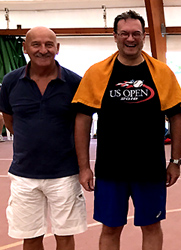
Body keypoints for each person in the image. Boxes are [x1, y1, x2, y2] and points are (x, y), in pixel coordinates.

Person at [72, 10, 181, 250]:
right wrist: (84, 167)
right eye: (124, 33)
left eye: (136, 33)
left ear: (144, 35)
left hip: (150, 169)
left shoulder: (162, 73)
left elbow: (177, 115)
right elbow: (82, 119)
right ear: (115, 36)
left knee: (152, 227)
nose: (130, 39)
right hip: (110, 170)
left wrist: (175, 160)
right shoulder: (97, 73)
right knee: (111, 228)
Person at [0, 26, 87, 250]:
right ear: (25, 48)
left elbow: (82, 125)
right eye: (36, 44)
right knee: (30, 237)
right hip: (24, 175)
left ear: (57, 48)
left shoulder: (75, 82)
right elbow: (10, 120)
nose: (43, 50)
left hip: (65, 175)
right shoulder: (10, 82)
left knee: (65, 236)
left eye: (49, 44)